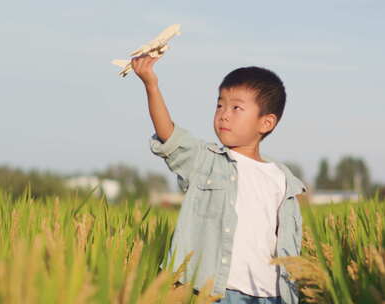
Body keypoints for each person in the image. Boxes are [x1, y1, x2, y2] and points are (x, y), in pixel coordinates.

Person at [131, 54, 307, 304]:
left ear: (266, 122)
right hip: (215, 292)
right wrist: (151, 85)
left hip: (271, 295)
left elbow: (287, 244)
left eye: (236, 108)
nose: (224, 115)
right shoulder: (207, 161)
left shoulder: (283, 179)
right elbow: (168, 136)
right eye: (220, 105)